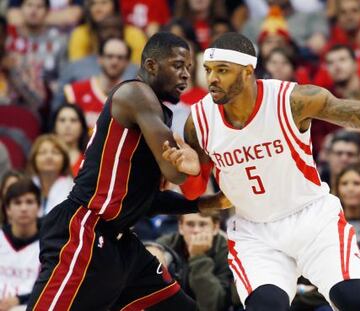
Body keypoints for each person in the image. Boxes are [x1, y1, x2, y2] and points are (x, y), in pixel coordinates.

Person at [162, 32, 360, 311]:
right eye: (208, 70)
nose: (212, 79)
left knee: (355, 303)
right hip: (256, 232)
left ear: (247, 72)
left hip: (313, 219)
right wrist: (190, 172)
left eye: (222, 70)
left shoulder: (292, 100)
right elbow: (196, 193)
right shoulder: (198, 122)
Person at [26, 32, 230, 311]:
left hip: (121, 243)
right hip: (85, 229)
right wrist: (197, 162)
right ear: (151, 66)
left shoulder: (159, 113)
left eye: (188, 69)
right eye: (177, 65)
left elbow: (145, 200)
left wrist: (205, 202)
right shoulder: (136, 94)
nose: (185, 75)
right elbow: (175, 172)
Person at [157, 212, 234, 311]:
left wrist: (198, 257)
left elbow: (213, 305)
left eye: (203, 224)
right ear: (180, 227)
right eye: (190, 224)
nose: (196, 230)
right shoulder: (166, 245)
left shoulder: (228, 252)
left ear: (215, 228)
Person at [0, 178, 41, 310]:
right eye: (17, 203)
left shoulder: (48, 244)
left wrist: (18, 299)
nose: (24, 208)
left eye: (29, 202)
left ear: (39, 207)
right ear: (7, 209)